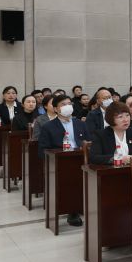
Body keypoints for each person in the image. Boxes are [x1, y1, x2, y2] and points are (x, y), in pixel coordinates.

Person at [38, 95, 89, 227]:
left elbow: (89, 143)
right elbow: (42, 150)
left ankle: (85, 206)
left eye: (69, 103)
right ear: (55, 109)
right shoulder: (48, 127)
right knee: (70, 180)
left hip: (81, 159)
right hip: (61, 163)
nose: (67, 106)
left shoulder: (81, 124)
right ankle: (72, 211)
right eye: (63, 104)